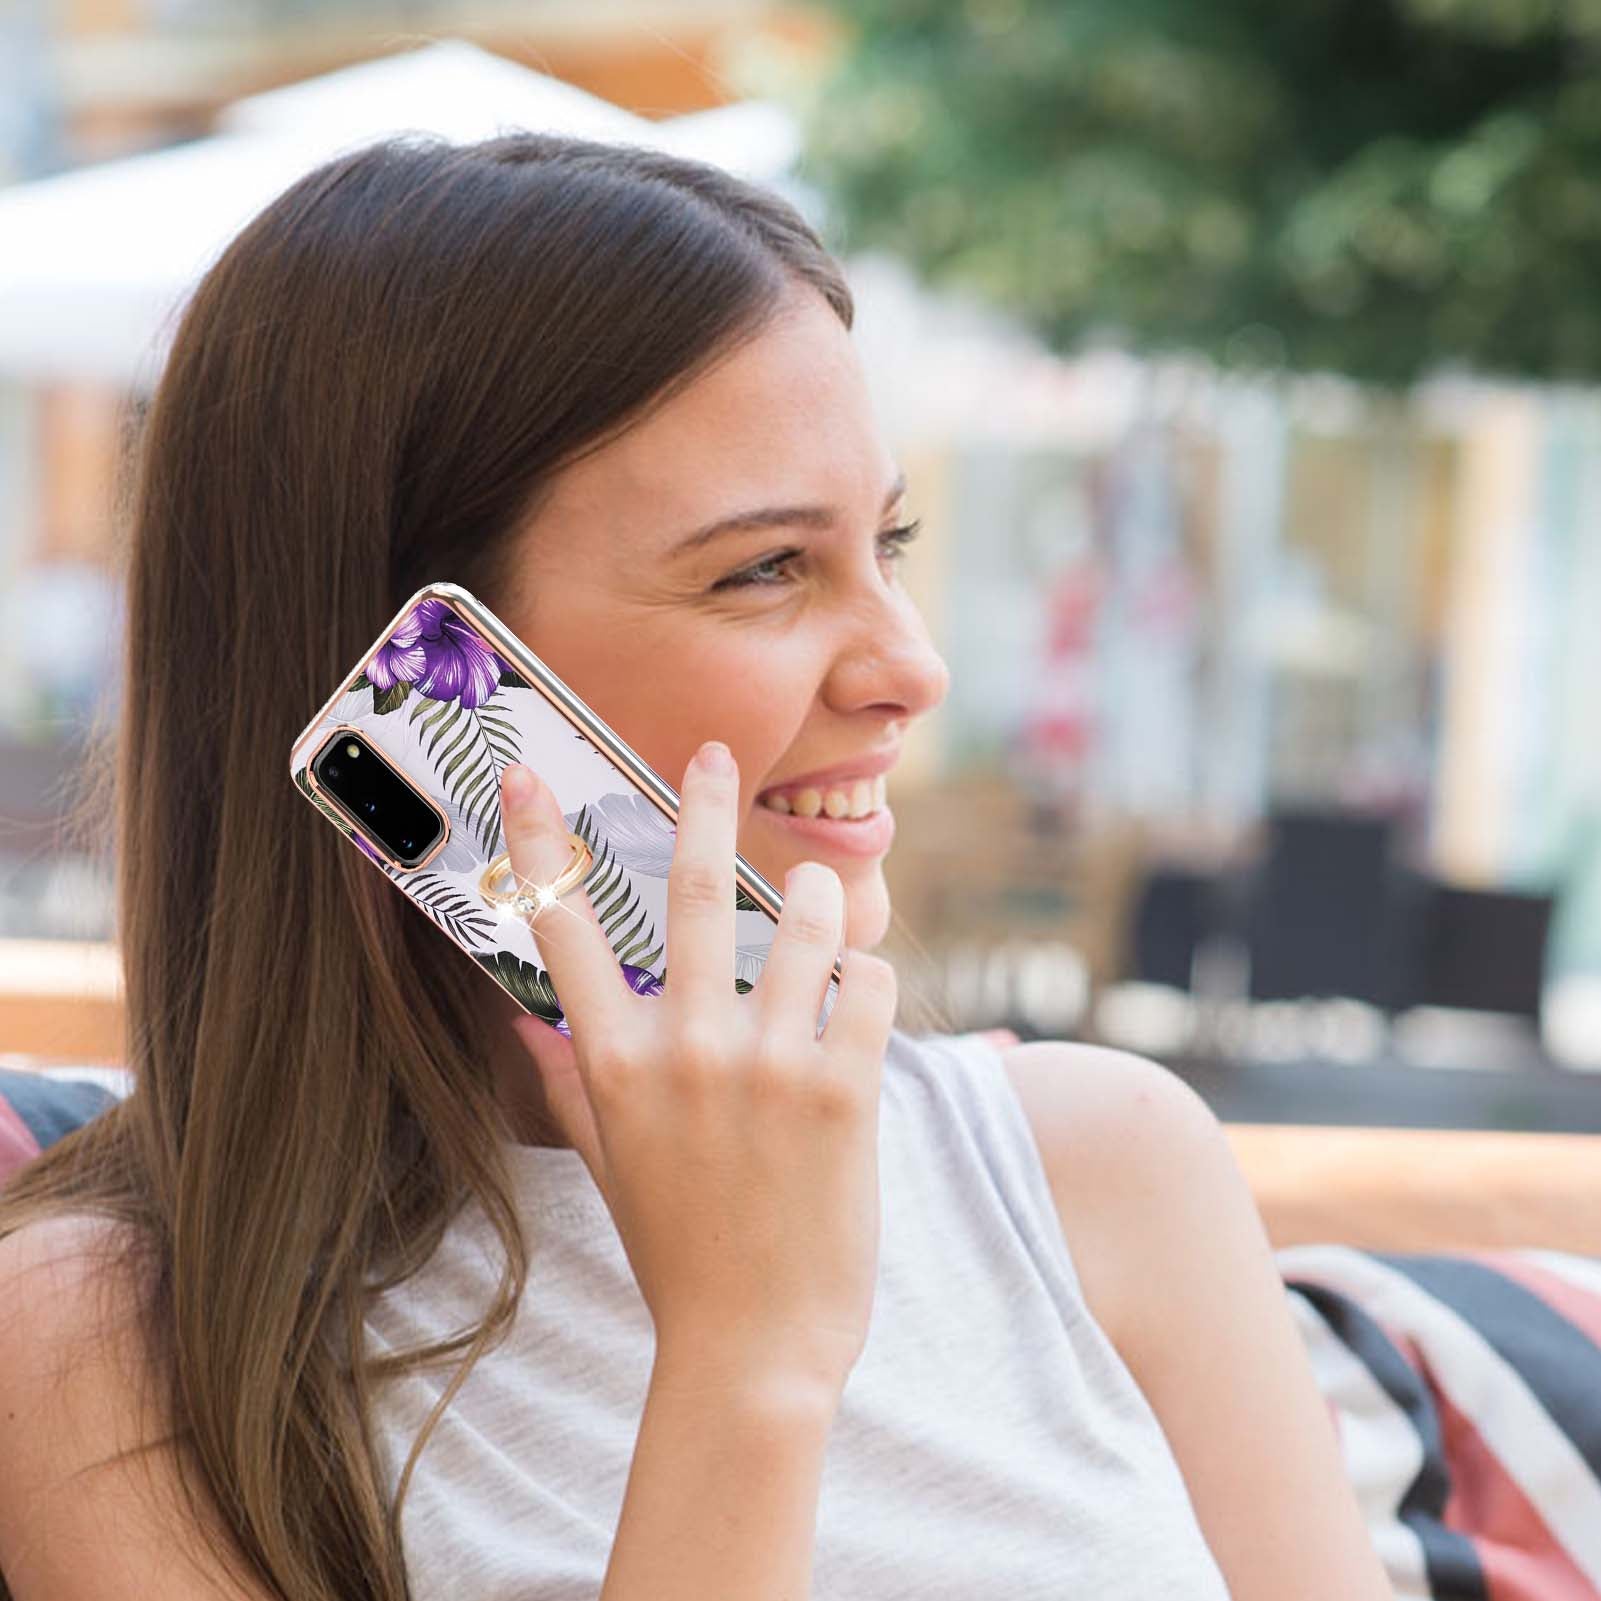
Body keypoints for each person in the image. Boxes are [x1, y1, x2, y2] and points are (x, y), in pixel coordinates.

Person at [0, 132, 1394, 1600]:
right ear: (417, 689)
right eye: (764, 568)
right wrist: (746, 1357)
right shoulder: (109, 1343)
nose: (911, 668)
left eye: (890, 541)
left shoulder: (1097, 1162)